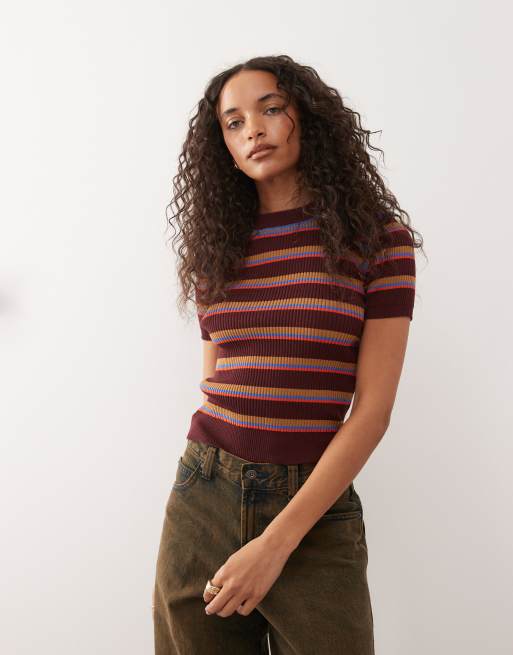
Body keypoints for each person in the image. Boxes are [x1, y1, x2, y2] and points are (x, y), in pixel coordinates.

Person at [152, 54, 423, 654]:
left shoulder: (376, 241)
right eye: (234, 122)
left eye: (271, 109)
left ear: (309, 118)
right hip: (204, 495)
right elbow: (218, 380)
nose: (253, 129)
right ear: (223, 147)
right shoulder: (216, 249)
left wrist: (275, 544)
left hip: (314, 508)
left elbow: (372, 411)